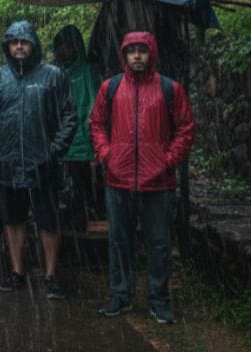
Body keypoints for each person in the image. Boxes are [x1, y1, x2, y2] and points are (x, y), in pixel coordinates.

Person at [90, 31, 195, 324]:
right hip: (118, 179)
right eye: (131, 51)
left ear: (152, 54)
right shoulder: (110, 88)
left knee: (159, 243)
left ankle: (159, 300)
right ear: (123, 55)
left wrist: (167, 161)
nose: (137, 56)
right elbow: (97, 123)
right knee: (119, 241)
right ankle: (121, 296)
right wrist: (106, 155)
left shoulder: (168, 88)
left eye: (142, 51)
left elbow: (186, 128)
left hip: (158, 182)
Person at [0, 20, 76, 298]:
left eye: (24, 41)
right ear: (7, 46)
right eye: (14, 42)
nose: (19, 46)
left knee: (48, 220)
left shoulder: (52, 76)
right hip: (8, 162)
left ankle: (50, 277)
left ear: (33, 44)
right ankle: (17, 273)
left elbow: (69, 116)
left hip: (43, 163)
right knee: (13, 220)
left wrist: (54, 150)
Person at [53, 25, 101, 231]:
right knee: (66, 188)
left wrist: (92, 140)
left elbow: (93, 104)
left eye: (68, 46)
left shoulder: (87, 70)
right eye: (61, 47)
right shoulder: (55, 73)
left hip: (84, 141)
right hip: (61, 142)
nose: (65, 51)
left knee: (87, 187)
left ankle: (89, 221)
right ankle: (71, 222)